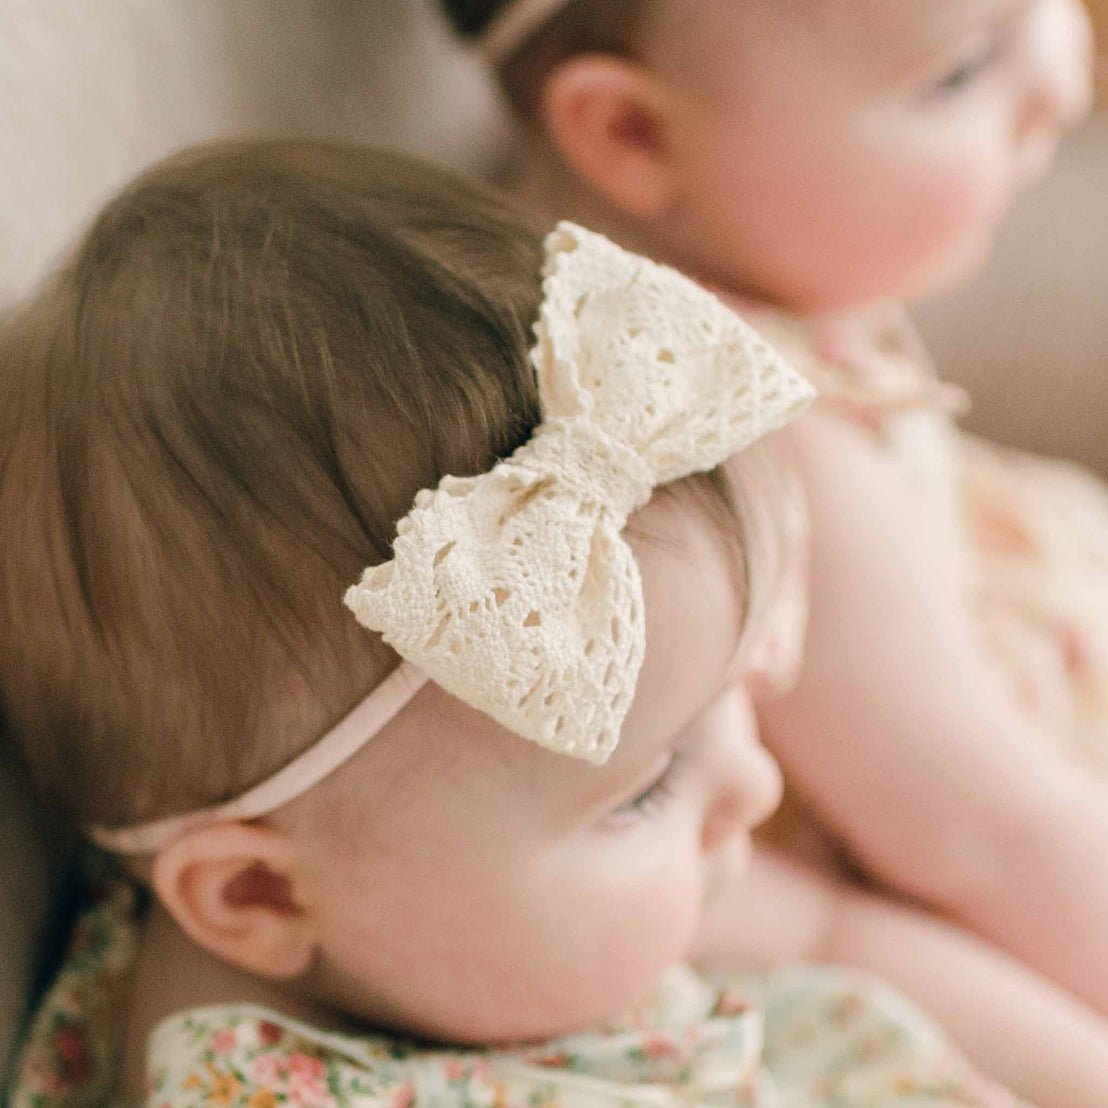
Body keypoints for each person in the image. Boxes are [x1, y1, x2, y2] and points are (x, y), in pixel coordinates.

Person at [5, 141, 1108, 1108]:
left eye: (736, 700)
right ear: (259, 892)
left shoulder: (451, 909)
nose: (757, 787)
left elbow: (837, 942)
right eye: (649, 784)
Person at [438, 0, 1108, 1017]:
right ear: (634, 133)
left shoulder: (701, 246)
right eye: (961, 73)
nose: (1065, 84)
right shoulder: (746, 448)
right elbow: (990, 837)